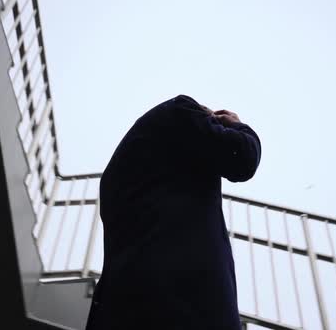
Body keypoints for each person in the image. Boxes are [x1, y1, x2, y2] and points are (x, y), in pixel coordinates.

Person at [85, 94, 262, 330]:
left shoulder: (124, 174)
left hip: (124, 301)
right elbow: (243, 156)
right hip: (185, 299)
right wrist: (237, 124)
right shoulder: (181, 110)